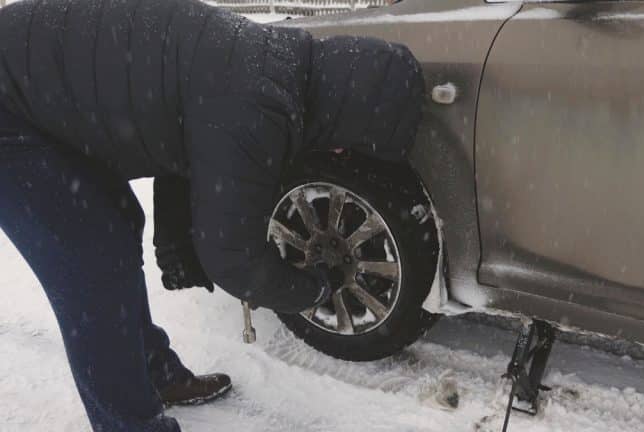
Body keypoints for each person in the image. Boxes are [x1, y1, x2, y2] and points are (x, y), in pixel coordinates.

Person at [0, 0, 425, 430]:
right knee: (93, 265)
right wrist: (313, 289)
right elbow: (234, 261)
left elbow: (182, 137)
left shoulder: (273, 59)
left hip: (39, 75)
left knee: (116, 224)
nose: (338, 152)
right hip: (9, 112)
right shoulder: (254, 109)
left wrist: (176, 238)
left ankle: (151, 374)